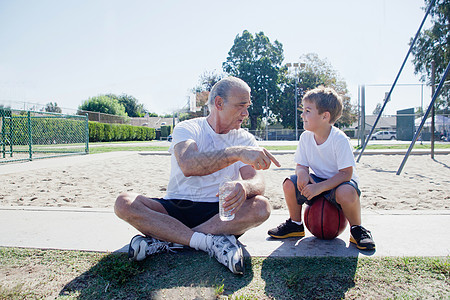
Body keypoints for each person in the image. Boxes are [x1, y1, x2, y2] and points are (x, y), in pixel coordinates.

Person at [115, 76, 281, 274]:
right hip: (175, 207)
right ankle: (209, 242)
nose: (246, 113)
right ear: (219, 103)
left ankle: (172, 239)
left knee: (262, 206)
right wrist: (237, 152)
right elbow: (188, 164)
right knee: (123, 203)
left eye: (247, 106)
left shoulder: (245, 137)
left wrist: (246, 187)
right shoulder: (188, 128)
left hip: (219, 214)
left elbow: (256, 179)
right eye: (240, 106)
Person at [267, 86, 375, 250]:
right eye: (303, 110)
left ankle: (357, 229)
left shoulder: (339, 139)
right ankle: (295, 224)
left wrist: (319, 187)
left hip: (339, 184)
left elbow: (346, 174)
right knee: (290, 183)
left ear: (325, 116)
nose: (302, 115)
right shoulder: (305, 137)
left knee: (347, 192)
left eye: (308, 111)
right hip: (317, 181)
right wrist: (302, 173)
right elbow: (301, 164)